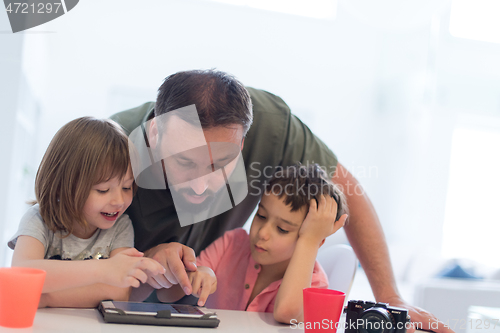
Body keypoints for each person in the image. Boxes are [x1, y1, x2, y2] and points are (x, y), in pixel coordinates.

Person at [112, 69, 453, 332]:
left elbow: (349, 191)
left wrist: (391, 299)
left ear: (243, 143)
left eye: (221, 165)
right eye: (185, 162)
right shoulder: (108, 148)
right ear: (155, 134)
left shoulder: (271, 126)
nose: (201, 187)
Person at [8, 117, 165, 308]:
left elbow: (120, 292)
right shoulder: (39, 219)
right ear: (63, 186)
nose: (119, 201)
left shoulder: (121, 226)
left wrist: (45, 297)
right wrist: (104, 270)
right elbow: (22, 274)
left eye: (126, 187)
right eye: (103, 190)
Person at [160, 163, 347, 324]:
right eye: (261, 216)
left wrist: (309, 242)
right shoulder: (233, 243)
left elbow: (286, 313)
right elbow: (165, 295)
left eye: (282, 229)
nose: (263, 233)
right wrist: (198, 275)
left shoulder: (315, 283)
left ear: (314, 241)